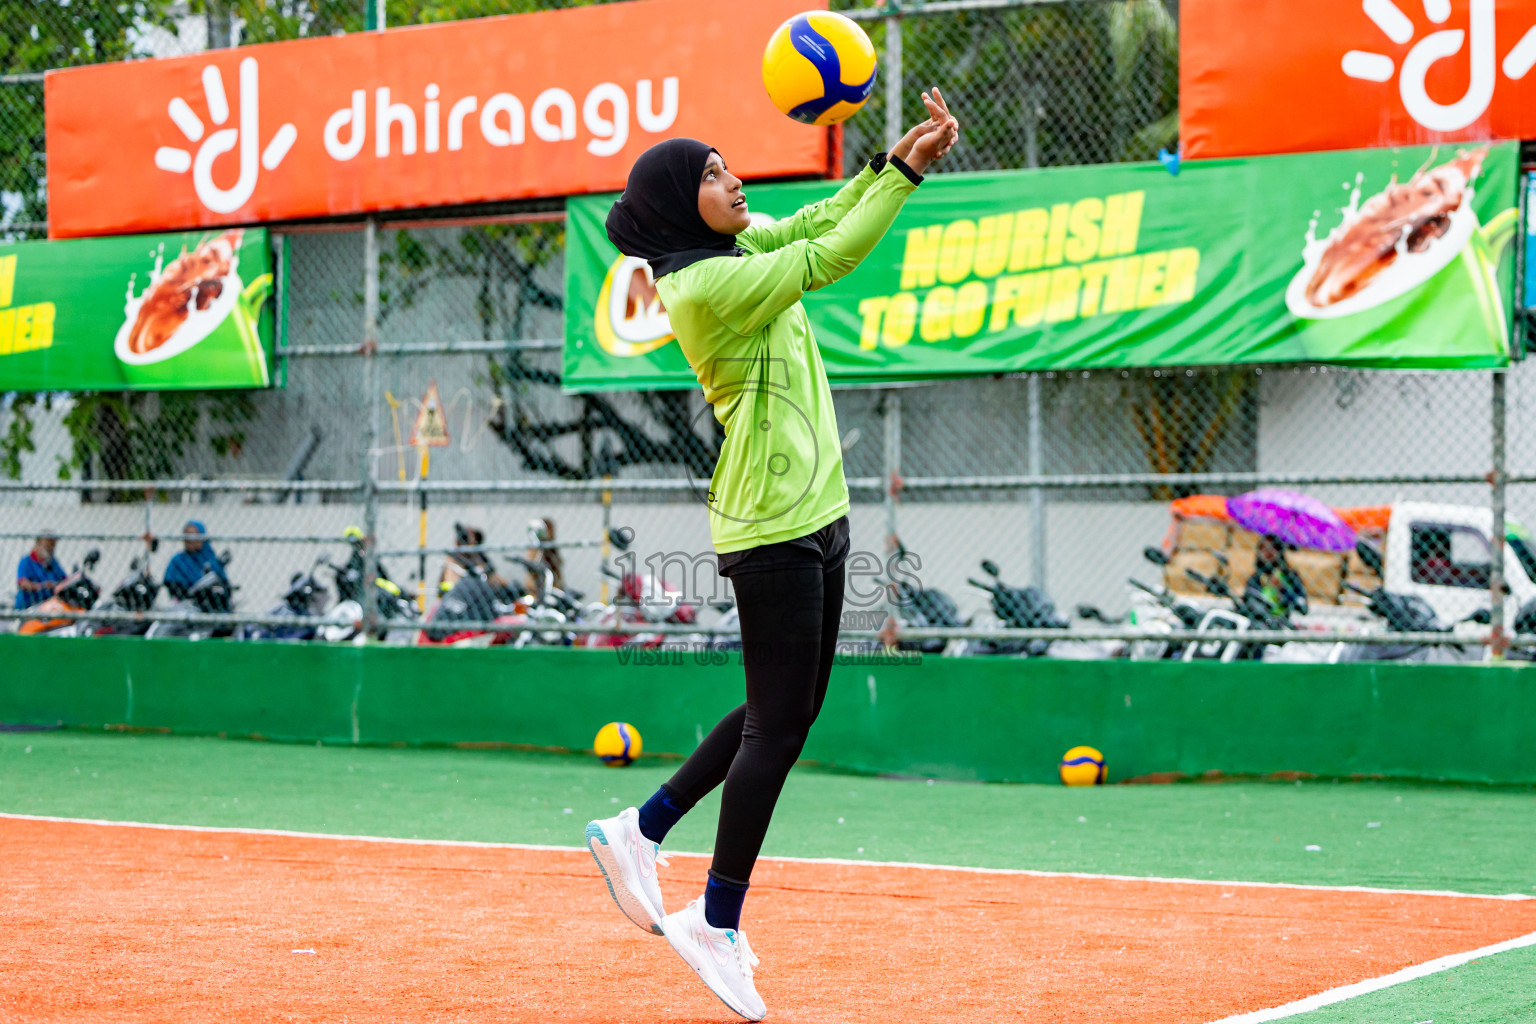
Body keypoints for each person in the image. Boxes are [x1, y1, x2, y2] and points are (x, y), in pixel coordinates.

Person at [583, 90, 959, 1021]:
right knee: (780, 728)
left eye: (727, 162)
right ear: (680, 202)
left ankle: (643, 827)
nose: (734, 176)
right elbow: (830, 255)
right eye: (711, 172)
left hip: (817, 507)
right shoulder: (701, 284)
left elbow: (818, 218)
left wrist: (887, 160)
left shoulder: (731, 249)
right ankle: (713, 920)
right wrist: (905, 179)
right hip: (770, 522)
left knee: (780, 711)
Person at [1244, 534, 1309, 618]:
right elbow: (1247, 604)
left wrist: (1282, 589)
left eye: (1272, 547)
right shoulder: (1255, 578)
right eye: (1263, 547)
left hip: (1282, 623)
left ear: (1279, 551)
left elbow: (1303, 608)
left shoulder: (1290, 576)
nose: (1267, 552)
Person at [162, 520, 228, 600]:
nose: (189, 540)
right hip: (187, 602)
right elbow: (173, 586)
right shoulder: (178, 560)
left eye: (193, 536)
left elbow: (224, 583)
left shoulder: (211, 559)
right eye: (186, 536)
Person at [14, 530, 67, 610]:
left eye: (53, 545)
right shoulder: (26, 561)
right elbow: (23, 583)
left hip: (49, 606)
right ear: (38, 544)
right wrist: (42, 586)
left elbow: (64, 579)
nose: (51, 548)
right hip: (28, 606)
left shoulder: (53, 562)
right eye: (47, 545)